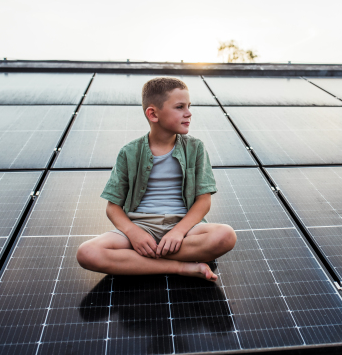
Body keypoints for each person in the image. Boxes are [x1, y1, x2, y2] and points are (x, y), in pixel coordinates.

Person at [76, 77, 236, 281]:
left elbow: (203, 201)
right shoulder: (129, 152)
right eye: (179, 107)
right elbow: (113, 207)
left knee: (225, 236)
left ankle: (139, 262)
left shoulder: (196, 148)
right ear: (153, 114)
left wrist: (178, 232)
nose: (188, 113)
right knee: (87, 253)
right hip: (140, 227)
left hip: (185, 229)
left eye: (189, 106)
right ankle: (180, 267)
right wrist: (134, 234)